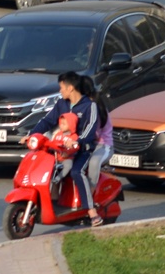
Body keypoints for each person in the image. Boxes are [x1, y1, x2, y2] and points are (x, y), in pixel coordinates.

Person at [29, 72, 107, 226]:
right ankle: (52, 203)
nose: (60, 91)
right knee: (47, 168)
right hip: (63, 149)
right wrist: (32, 134)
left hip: (83, 149)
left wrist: (77, 141)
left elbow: (90, 129)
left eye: (61, 88)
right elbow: (47, 121)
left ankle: (92, 213)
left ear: (70, 88)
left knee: (76, 172)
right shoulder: (61, 104)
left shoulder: (90, 106)